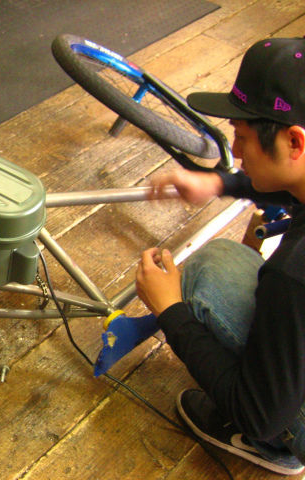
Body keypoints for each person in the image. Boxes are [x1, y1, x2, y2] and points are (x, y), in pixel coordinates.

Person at [135, 37, 305, 476]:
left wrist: (169, 310)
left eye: (242, 138)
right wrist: (220, 183)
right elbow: (291, 181)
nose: (236, 149)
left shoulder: (293, 273)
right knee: (224, 262)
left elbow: (259, 414)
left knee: (206, 276)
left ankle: (280, 446)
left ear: (294, 142)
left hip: (271, 414)